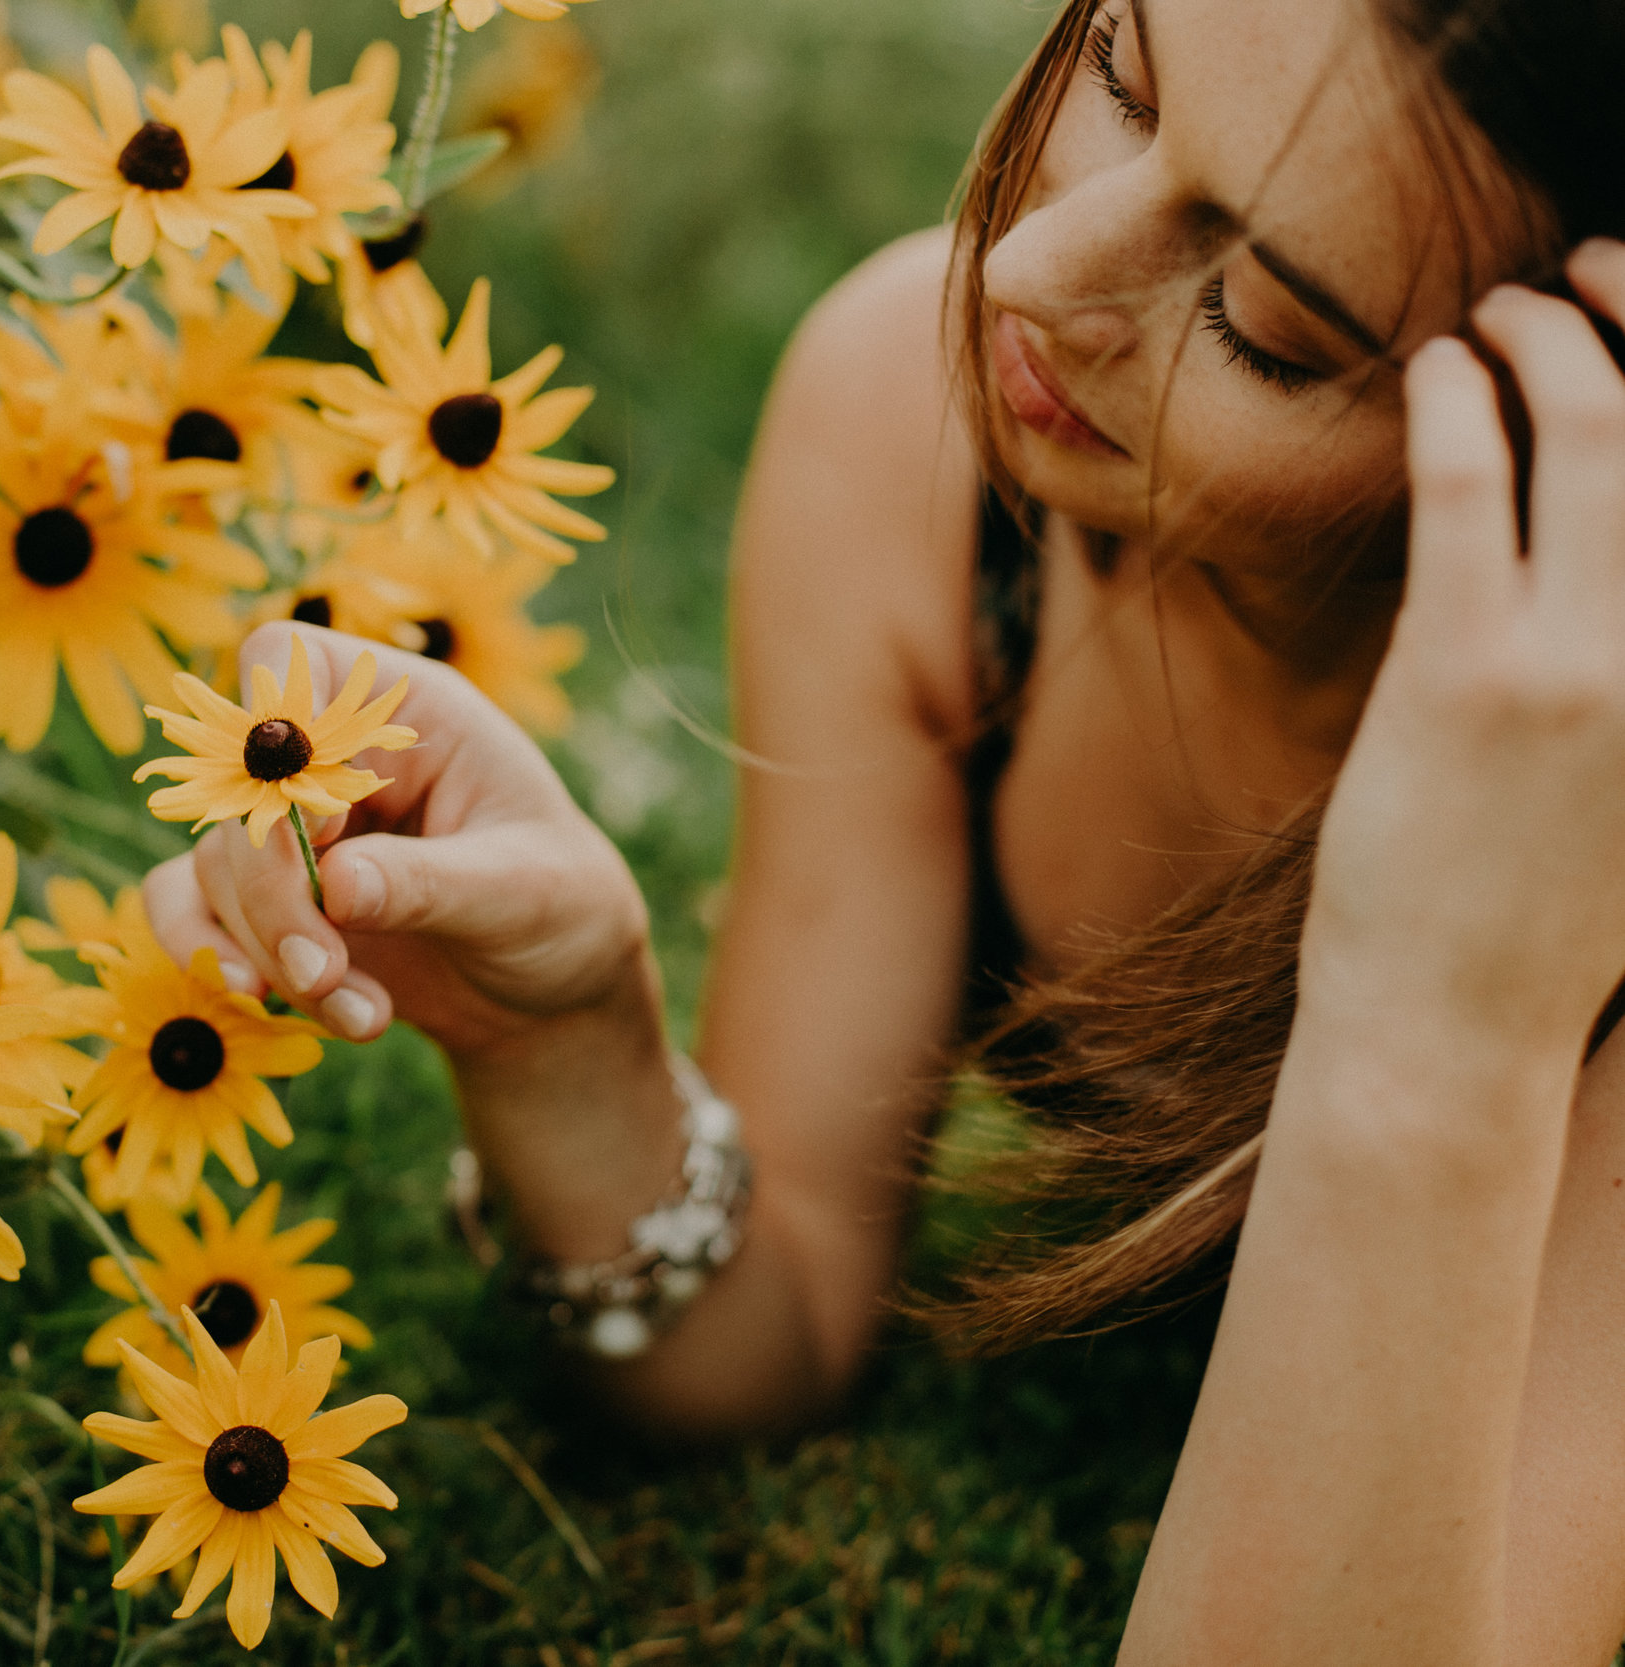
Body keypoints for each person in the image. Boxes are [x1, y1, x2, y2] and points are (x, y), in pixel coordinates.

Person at [143, 0, 1625, 1657]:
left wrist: (1445, 1027)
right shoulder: (922, 447)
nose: (1031, 275)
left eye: (1269, 326)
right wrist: (567, 1045)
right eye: (1123, 77)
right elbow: (775, 1329)